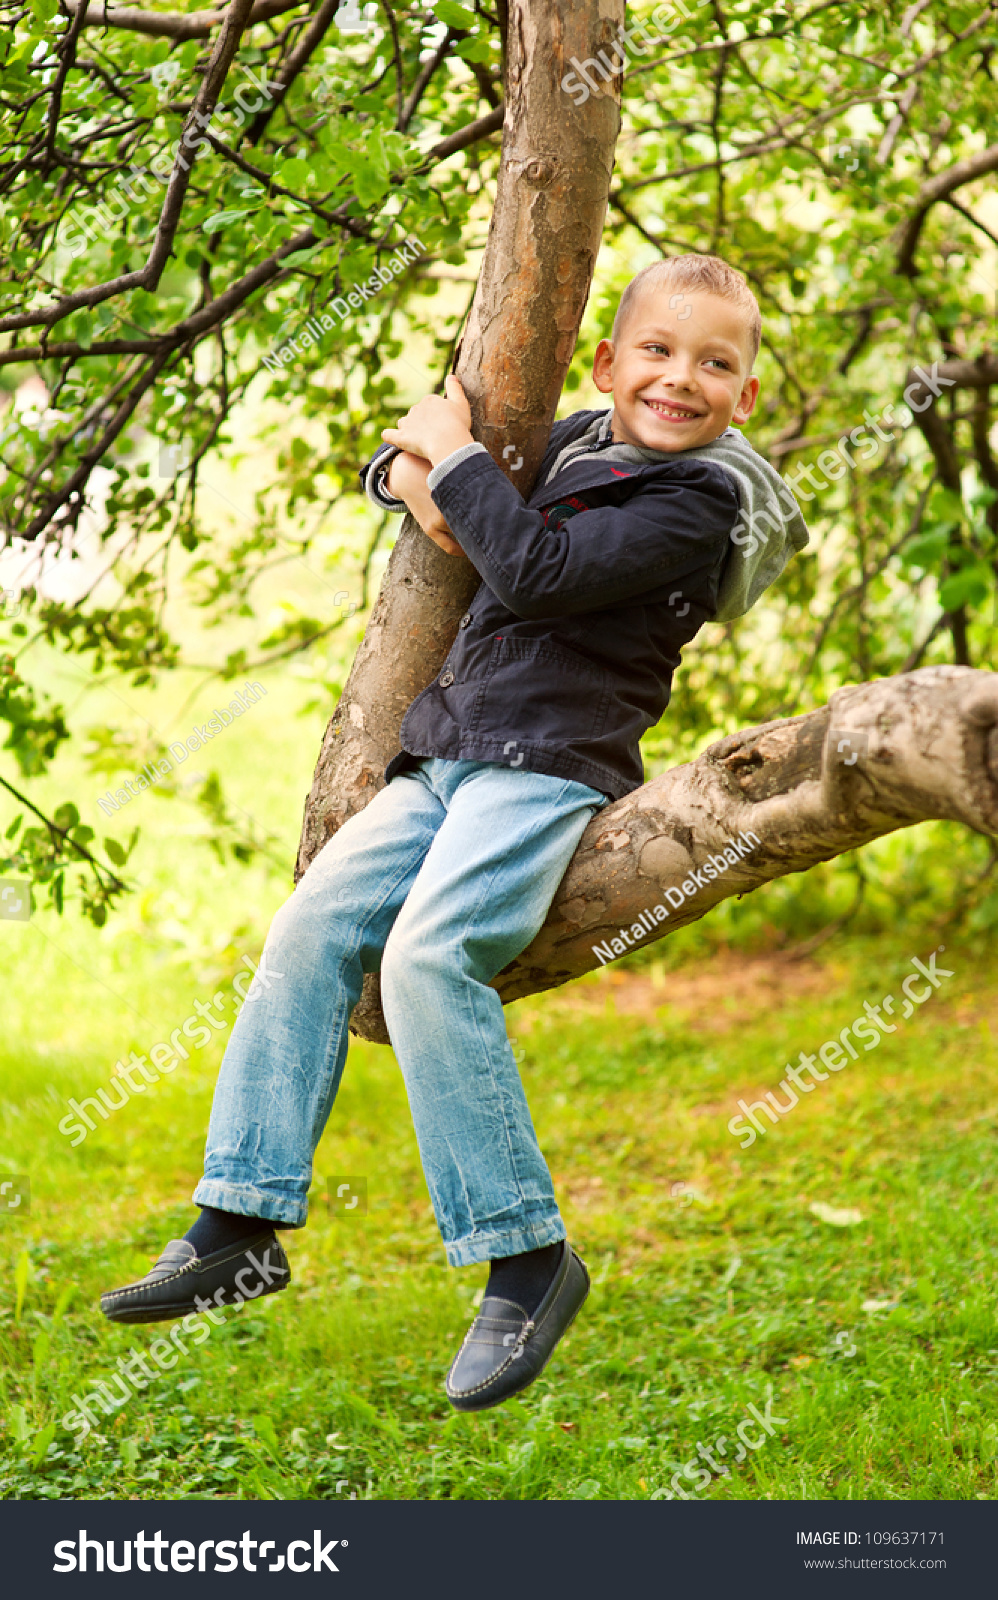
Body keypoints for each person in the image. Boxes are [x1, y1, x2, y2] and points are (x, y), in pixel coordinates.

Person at [100, 254, 808, 1413]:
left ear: (743, 394)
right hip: (444, 751)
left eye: (714, 364)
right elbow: (412, 477)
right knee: (307, 925)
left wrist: (461, 465)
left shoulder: (696, 504)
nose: (679, 378)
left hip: (546, 765)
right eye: (657, 351)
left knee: (432, 957)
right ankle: (239, 1219)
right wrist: (420, 457)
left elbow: (527, 570)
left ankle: (526, 1258)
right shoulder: (581, 440)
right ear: (607, 363)